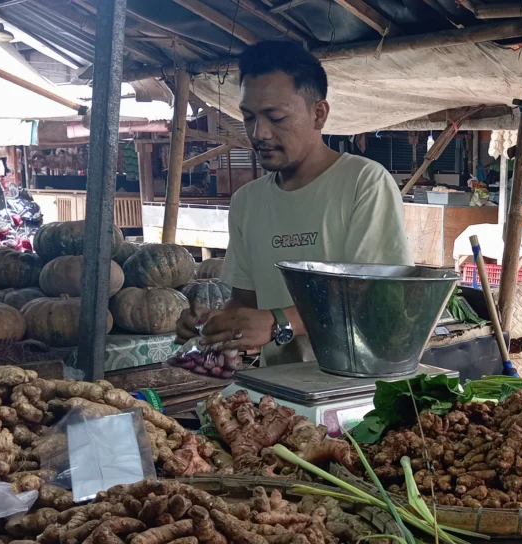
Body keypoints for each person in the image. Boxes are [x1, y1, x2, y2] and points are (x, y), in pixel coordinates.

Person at [175, 41, 411, 365]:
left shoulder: (363, 183)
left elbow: (374, 297)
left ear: (319, 113)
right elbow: (245, 301)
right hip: (281, 397)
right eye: (248, 117)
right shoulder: (247, 201)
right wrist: (213, 323)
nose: (259, 133)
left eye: (275, 117)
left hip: (357, 391)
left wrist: (278, 321)